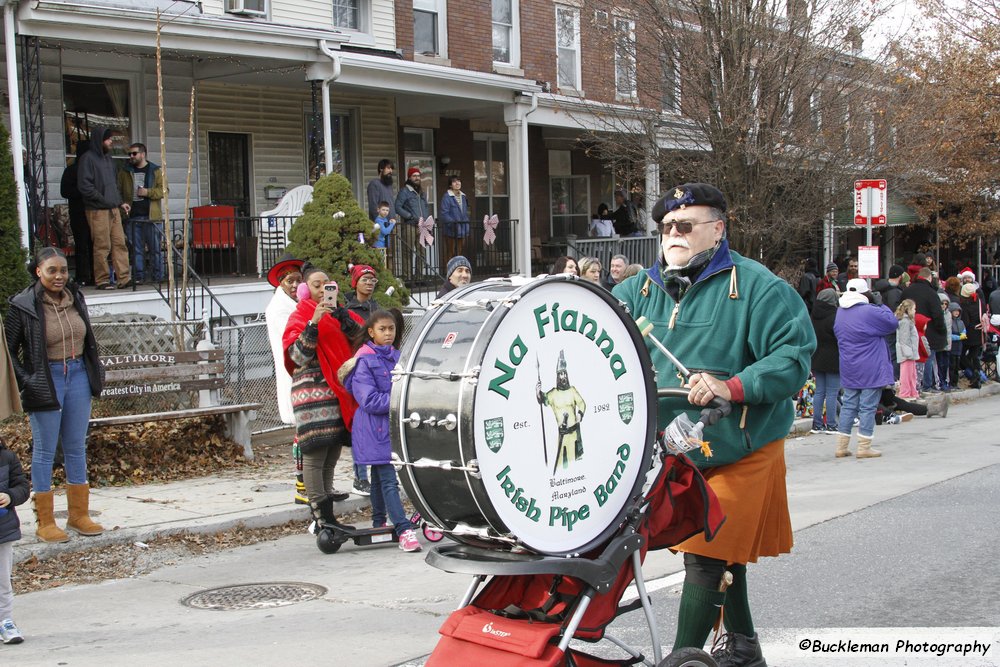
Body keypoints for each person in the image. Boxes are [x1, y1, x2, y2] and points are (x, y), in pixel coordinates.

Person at [614, 183, 815, 666]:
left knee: (706, 553)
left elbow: (794, 357)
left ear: (718, 229)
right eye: (665, 228)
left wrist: (734, 386)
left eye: (686, 226)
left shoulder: (760, 287)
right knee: (722, 551)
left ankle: (682, 660)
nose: (673, 235)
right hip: (673, 447)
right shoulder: (636, 291)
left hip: (742, 443)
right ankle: (743, 648)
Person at [5, 247, 105, 543]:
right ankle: (45, 521)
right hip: (46, 380)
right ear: (38, 271)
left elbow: (87, 339)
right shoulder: (23, 306)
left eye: (63, 270)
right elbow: (9, 351)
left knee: (76, 447)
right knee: (45, 451)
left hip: (77, 376)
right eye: (52, 270)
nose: (59, 276)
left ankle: (78, 515)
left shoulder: (76, 298)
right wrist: (28, 379)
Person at [282, 265, 365, 524]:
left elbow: (362, 342)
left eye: (326, 284)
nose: (322, 289)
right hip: (313, 394)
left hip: (339, 392)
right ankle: (321, 513)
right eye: (316, 285)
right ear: (306, 290)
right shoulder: (299, 316)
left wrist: (344, 319)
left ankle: (327, 497)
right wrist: (314, 323)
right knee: (316, 452)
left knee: (332, 449)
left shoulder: (341, 315)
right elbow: (297, 356)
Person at [339, 311, 421, 552]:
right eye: (383, 329)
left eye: (391, 329)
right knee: (388, 479)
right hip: (372, 429)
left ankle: (378, 522)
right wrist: (401, 398)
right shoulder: (364, 361)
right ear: (371, 332)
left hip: (392, 427)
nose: (388, 333)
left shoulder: (399, 357)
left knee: (378, 476)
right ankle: (404, 529)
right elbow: (370, 400)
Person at [833, 278, 898, 459]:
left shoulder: (840, 312)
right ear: (865, 293)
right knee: (867, 407)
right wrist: (881, 305)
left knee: (849, 405)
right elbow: (891, 323)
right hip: (870, 366)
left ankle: (841, 446)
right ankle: (864, 446)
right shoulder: (869, 311)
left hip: (849, 365)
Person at [264, 254, 306, 503]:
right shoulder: (279, 309)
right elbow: (291, 344)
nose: (293, 285)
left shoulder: (296, 305)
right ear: (280, 282)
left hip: (305, 375)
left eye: (297, 280)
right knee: (302, 432)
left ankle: (312, 483)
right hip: (293, 373)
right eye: (289, 280)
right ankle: (302, 484)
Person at [77, 126, 132, 290]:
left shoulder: (109, 160)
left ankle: (124, 278)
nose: (110, 142)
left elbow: (113, 185)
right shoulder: (87, 159)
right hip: (97, 210)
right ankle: (102, 279)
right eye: (108, 139)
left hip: (113, 209)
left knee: (119, 243)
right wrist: (103, 200)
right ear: (100, 140)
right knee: (102, 246)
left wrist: (119, 202)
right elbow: (85, 186)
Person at [117, 142, 165, 284]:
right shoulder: (125, 172)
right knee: (137, 250)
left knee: (155, 248)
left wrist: (147, 192)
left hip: (151, 216)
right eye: (129, 154)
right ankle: (139, 277)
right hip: (133, 216)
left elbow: (164, 191)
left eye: (134, 153)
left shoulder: (155, 170)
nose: (131, 156)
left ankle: (158, 277)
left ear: (143, 154)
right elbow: (118, 191)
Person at [535, 350, 586, 470]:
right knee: (562, 466)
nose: (563, 376)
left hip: (574, 435)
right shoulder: (553, 394)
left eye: (564, 374)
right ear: (557, 376)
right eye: (560, 374)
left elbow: (582, 403)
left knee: (577, 467)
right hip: (562, 435)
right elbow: (543, 399)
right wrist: (538, 392)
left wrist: (580, 414)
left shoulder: (572, 391)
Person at [0, 436, 29, 645]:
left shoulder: (7, 457)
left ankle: (5, 621)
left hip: (3, 530)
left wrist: (10, 497)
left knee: (2, 581)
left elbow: (22, 487)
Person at [901, 267, 948, 392]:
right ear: (929, 278)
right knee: (927, 357)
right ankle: (927, 385)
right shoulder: (931, 293)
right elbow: (937, 314)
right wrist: (942, 330)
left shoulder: (907, 291)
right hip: (928, 330)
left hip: (908, 329)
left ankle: (913, 385)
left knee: (910, 361)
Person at [59, 140, 94, 286]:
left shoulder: (93, 170)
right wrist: (83, 191)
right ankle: (83, 276)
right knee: (81, 245)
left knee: (95, 245)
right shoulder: (71, 171)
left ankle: (95, 275)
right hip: (78, 213)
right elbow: (64, 191)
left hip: (94, 211)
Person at [809, 288, 840, 434]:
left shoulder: (813, 315)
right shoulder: (835, 316)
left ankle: (817, 424)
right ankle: (832, 424)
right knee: (832, 392)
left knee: (819, 391)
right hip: (833, 357)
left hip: (816, 357)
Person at [395, 166, 430, 267]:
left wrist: (425, 222)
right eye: (414, 176)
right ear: (409, 177)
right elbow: (397, 207)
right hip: (409, 225)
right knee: (408, 252)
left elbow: (426, 207)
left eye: (418, 176)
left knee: (422, 252)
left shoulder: (421, 192)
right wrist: (409, 216)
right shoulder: (404, 191)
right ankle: (408, 278)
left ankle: (419, 278)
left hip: (422, 226)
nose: (417, 178)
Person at [438, 175, 469, 262]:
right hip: (451, 229)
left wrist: (466, 224)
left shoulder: (463, 196)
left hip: (462, 229)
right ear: (450, 185)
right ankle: (449, 273)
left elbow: (466, 212)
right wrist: (454, 223)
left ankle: (457, 272)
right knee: (450, 253)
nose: (457, 183)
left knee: (459, 253)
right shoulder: (447, 197)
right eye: (454, 181)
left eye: (459, 181)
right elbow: (444, 214)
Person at [959, 283, 984, 389]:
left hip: (968, 333)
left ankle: (974, 373)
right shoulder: (980, 302)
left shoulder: (965, 305)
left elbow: (966, 321)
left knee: (961, 356)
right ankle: (977, 375)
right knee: (974, 356)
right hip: (979, 332)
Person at [895, 299, 921, 399]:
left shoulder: (908, 320)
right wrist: (908, 353)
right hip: (907, 353)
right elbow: (904, 339)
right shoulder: (905, 321)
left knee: (912, 374)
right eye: (914, 309)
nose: (915, 311)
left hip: (911, 352)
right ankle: (905, 392)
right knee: (906, 374)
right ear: (908, 309)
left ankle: (912, 391)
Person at [366, 159, 397, 223]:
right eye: (388, 168)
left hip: (390, 224)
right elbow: (373, 206)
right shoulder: (374, 184)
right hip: (380, 226)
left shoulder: (389, 186)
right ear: (381, 169)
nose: (391, 171)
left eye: (391, 169)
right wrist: (380, 222)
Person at [949, 302, 967, 389]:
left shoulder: (961, 322)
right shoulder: (949, 322)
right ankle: (951, 383)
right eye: (954, 311)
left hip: (959, 347)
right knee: (951, 366)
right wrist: (959, 337)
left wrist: (963, 334)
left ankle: (955, 383)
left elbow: (964, 330)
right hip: (952, 347)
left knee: (956, 366)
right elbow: (949, 336)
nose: (957, 313)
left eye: (958, 311)